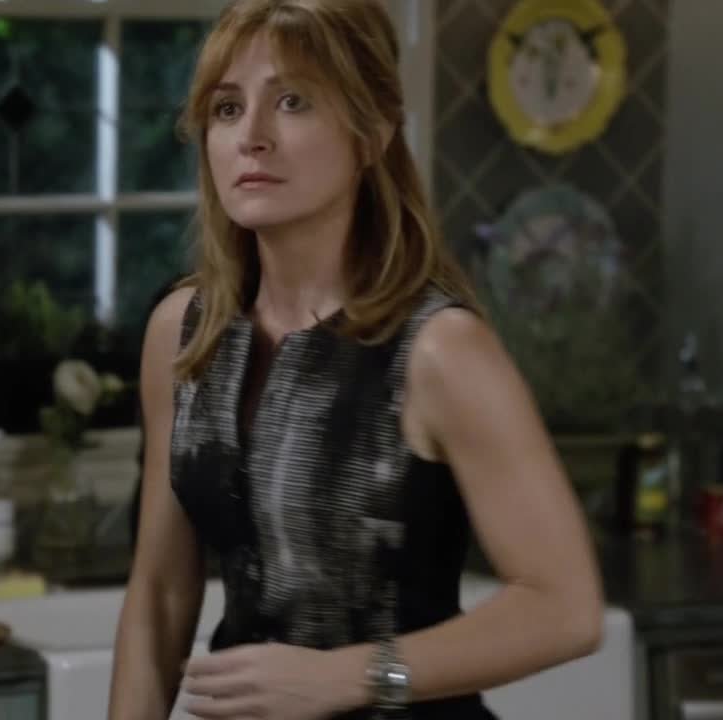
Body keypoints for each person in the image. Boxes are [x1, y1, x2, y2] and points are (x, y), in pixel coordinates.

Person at [109, 1, 605, 718]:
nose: (252, 136)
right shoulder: (183, 333)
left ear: (372, 134)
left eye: (293, 102)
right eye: (227, 108)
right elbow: (159, 593)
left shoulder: (439, 349)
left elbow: (565, 608)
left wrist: (350, 676)